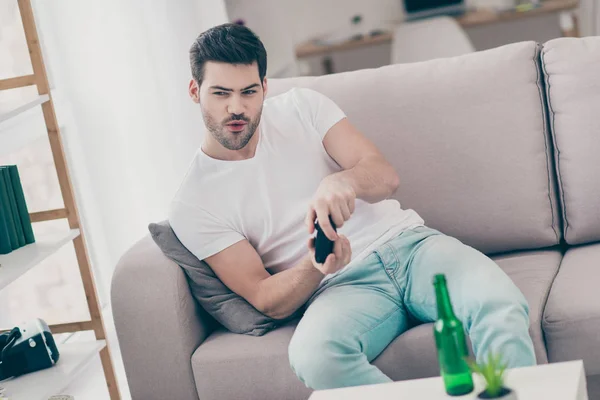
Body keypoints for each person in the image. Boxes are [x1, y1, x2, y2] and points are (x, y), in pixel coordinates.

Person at [168, 23, 536, 390]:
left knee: (498, 304)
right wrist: (317, 266)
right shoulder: (193, 203)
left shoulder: (302, 107)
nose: (236, 108)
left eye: (249, 92)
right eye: (220, 93)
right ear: (194, 91)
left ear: (265, 88)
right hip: (339, 287)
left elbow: (384, 175)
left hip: (410, 248)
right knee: (315, 357)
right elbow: (266, 298)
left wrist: (342, 180)